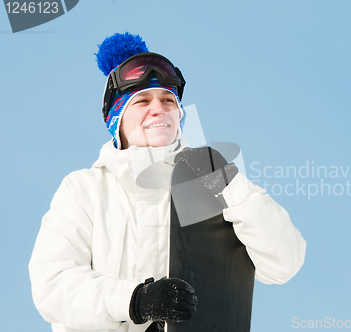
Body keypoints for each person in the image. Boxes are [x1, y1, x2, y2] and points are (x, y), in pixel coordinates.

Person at [29, 32, 306, 332]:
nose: (158, 108)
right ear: (116, 118)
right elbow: (52, 285)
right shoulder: (84, 190)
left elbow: (285, 262)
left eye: (167, 100)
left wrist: (232, 185)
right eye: (142, 101)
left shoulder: (210, 184)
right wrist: (135, 301)